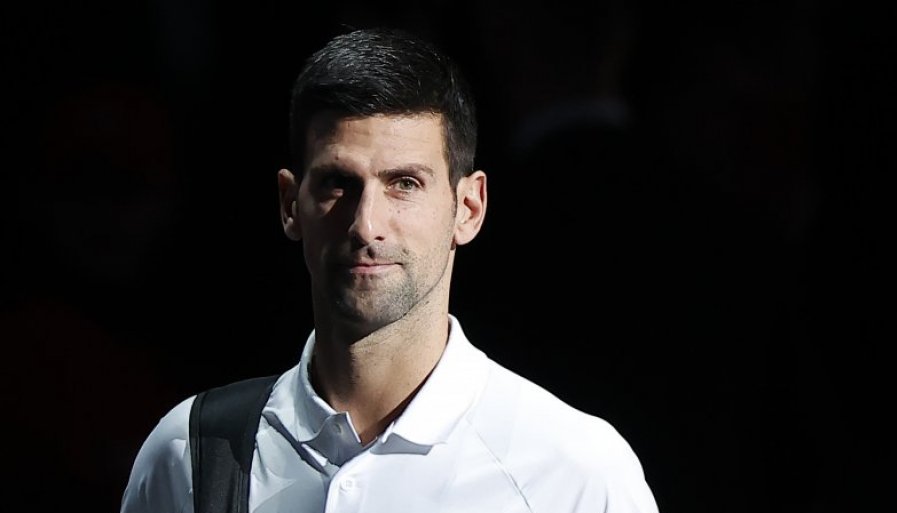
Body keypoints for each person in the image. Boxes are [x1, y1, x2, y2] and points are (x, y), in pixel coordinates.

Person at [120, 26, 659, 513]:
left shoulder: (571, 474)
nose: (366, 224)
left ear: (468, 208)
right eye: (338, 183)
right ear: (290, 204)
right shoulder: (190, 453)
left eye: (404, 183)